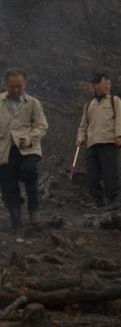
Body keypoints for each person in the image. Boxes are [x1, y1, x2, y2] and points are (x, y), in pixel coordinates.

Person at [0, 68, 48, 231]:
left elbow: (41, 126)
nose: (15, 90)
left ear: (25, 84)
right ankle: (15, 217)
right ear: (6, 84)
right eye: (12, 86)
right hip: (5, 149)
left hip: (28, 148)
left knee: (29, 171)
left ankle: (33, 211)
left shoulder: (33, 103)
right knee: (8, 183)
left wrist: (30, 138)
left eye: (19, 86)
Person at [76, 73, 121, 209]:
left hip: (109, 142)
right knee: (92, 175)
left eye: (109, 84)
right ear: (96, 85)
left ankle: (112, 201)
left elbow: (120, 119)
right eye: (105, 84)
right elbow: (83, 125)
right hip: (92, 144)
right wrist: (80, 139)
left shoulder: (114, 101)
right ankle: (98, 201)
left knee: (110, 173)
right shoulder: (88, 105)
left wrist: (120, 135)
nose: (107, 87)